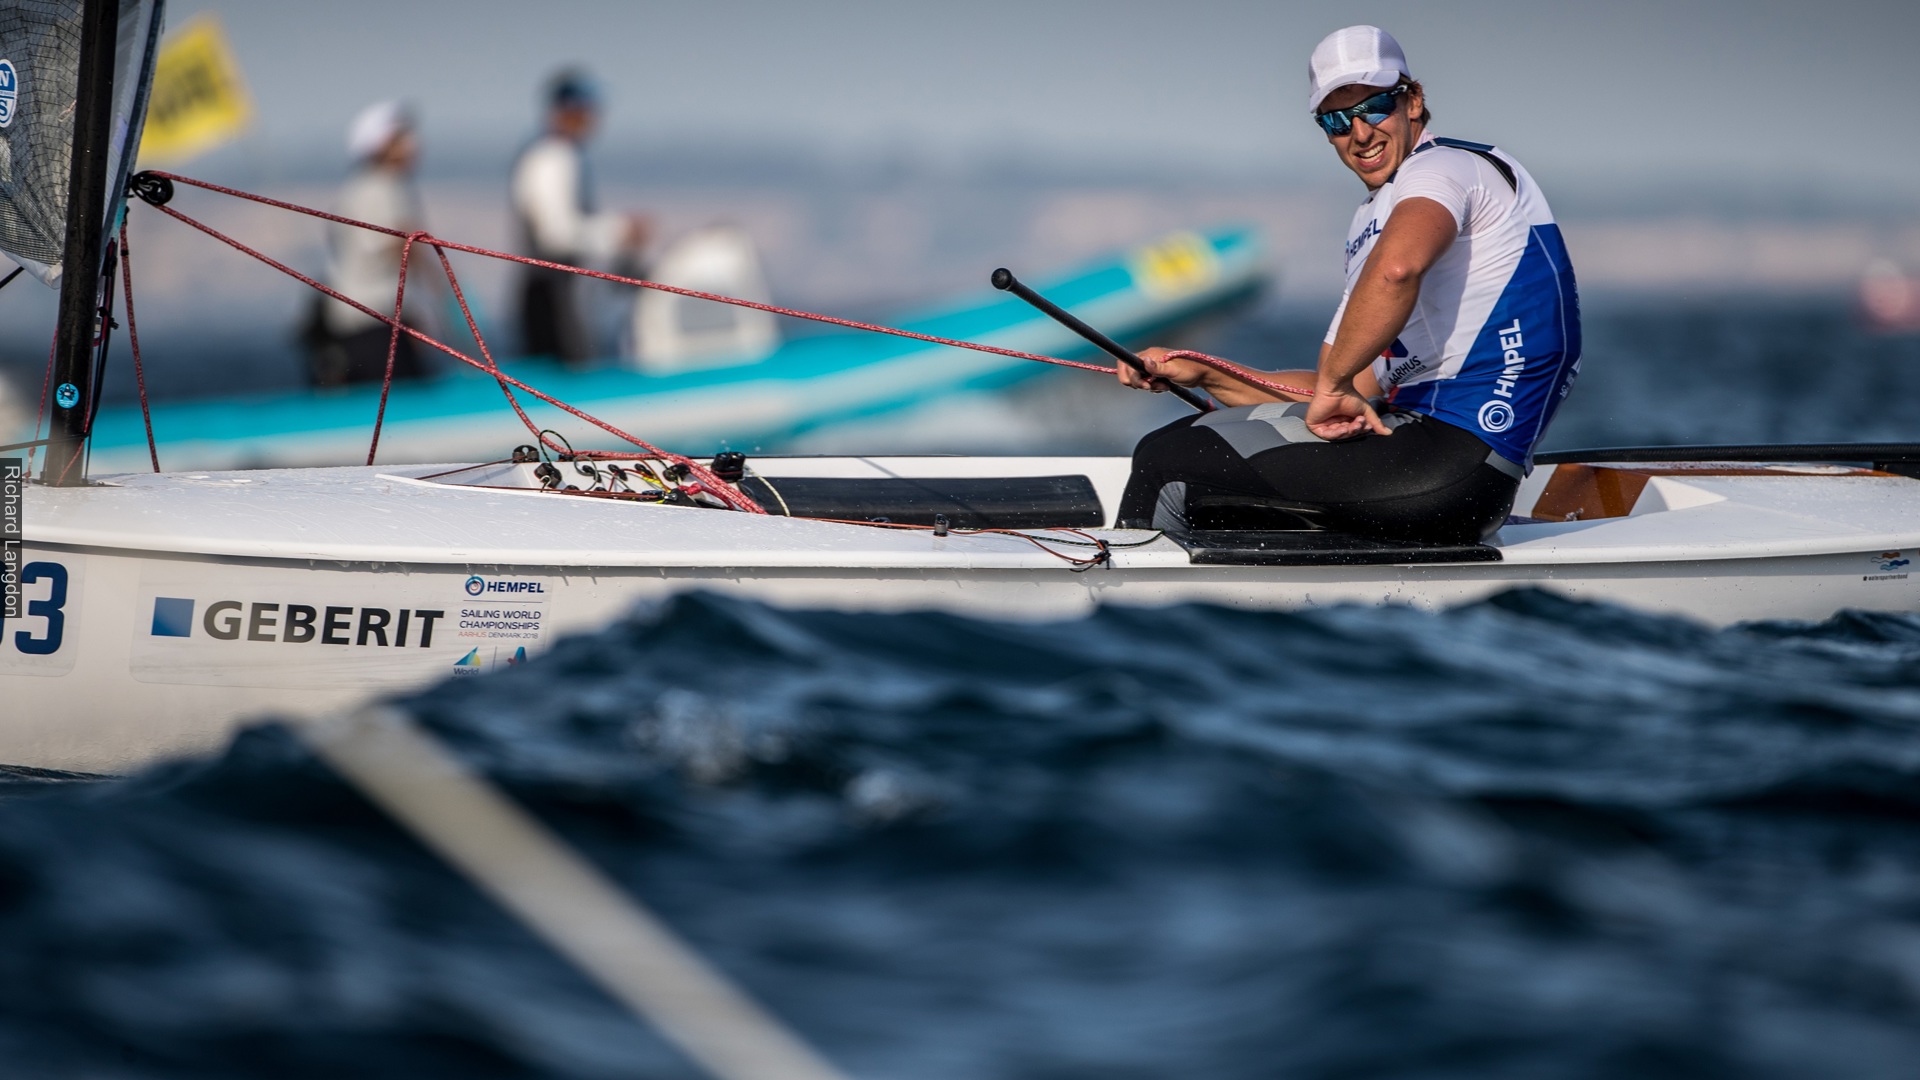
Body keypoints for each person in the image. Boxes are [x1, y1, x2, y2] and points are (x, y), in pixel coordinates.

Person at [1114, 25, 1581, 544]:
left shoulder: (1445, 168)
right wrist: (1207, 372)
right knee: (1190, 447)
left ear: (1414, 100)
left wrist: (1334, 385)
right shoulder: (1374, 218)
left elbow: (1397, 271)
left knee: (1167, 461)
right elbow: (1341, 391)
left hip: (1459, 465)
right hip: (1421, 452)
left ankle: (1123, 610)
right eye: (1336, 120)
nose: (1359, 133)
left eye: (1374, 106)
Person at [510, 69, 649, 366]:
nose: (595, 117)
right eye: (588, 109)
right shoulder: (552, 156)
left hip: (561, 288)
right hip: (550, 292)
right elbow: (556, 234)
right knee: (560, 377)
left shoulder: (568, 155)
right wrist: (618, 232)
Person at [306, 100, 434, 387]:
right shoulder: (378, 188)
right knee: (400, 406)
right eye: (402, 138)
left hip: (371, 322)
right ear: (382, 145)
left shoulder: (366, 188)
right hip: (371, 325)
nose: (413, 145)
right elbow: (394, 249)